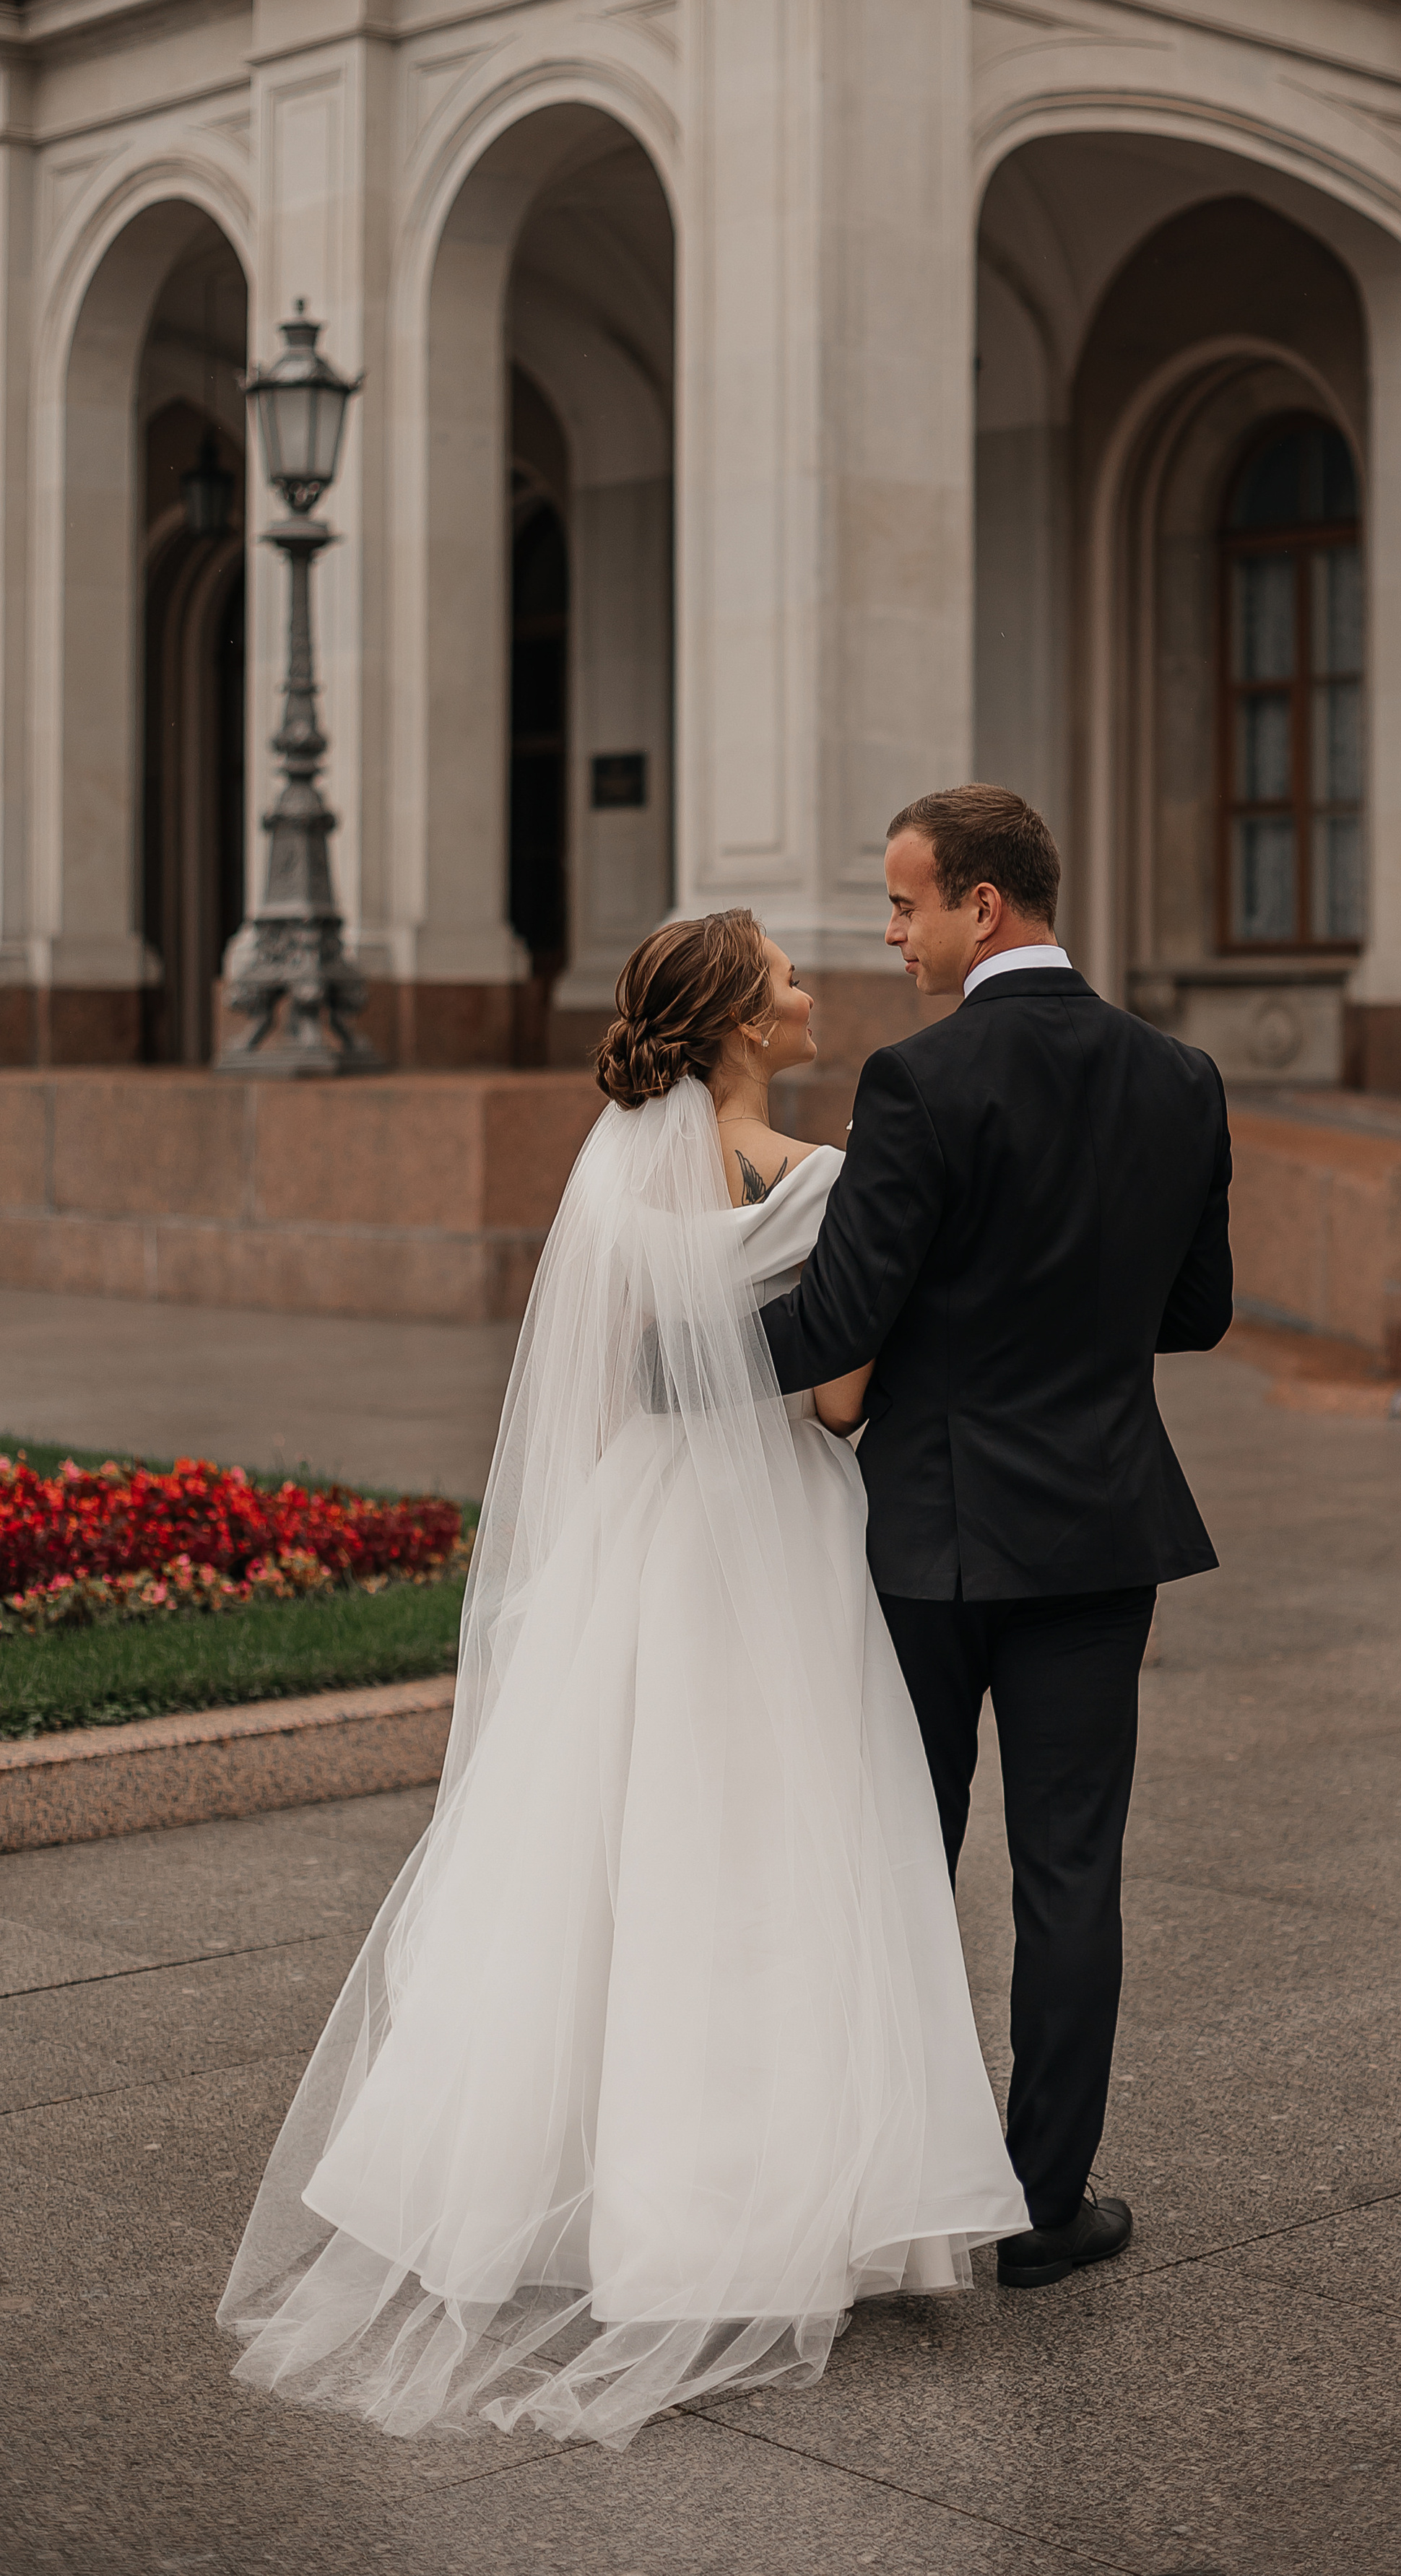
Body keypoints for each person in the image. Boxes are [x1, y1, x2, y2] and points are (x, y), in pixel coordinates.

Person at [217, 910, 1030, 2450]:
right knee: (778, 1847)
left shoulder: (612, 1177)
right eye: (782, 978)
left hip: (645, 1529)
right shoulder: (815, 1177)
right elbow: (839, 1399)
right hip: (778, 1532)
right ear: (736, 1021)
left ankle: (559, 2191)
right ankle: (784, 2197)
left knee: (612, 1848)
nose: (806, 992)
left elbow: (591, 1395)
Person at [759, 784, 1233, 2291]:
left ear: (985, 906)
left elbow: (840, 1317)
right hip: (1099, 1534)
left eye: (905, 903)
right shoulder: (1180, 1077)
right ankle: (1042, 2210)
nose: (889, 932)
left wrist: (648, 1365)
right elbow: (1195, 1313)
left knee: (899, 1857)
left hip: (936, 1541)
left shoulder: (920, 1078)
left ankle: (881, 2184)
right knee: (1069, 1872)